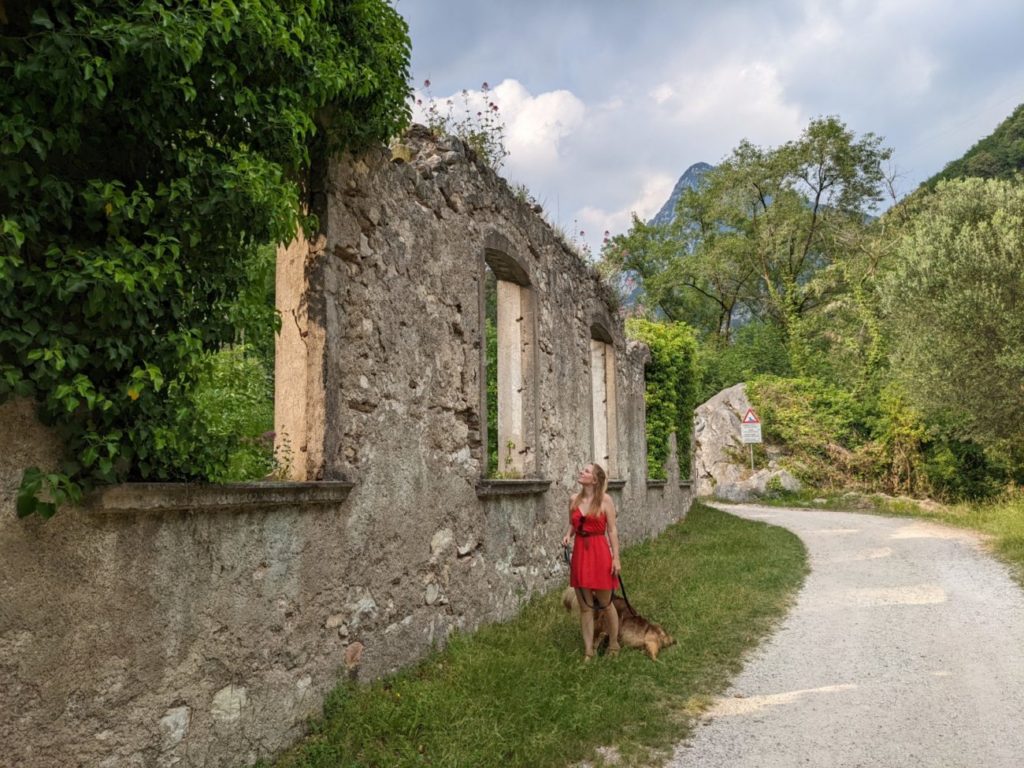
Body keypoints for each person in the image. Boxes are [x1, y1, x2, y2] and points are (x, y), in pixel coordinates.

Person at [562, 462, 622, 660]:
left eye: (586, 471)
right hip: (580, 553)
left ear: (595, 479)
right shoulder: (573, 499)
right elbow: (573, 523)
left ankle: (613, 645)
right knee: (585, 607)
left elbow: (612, 530)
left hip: (600, 553)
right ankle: (589, 651)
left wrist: (616, 558)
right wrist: (568, 535)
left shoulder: (605, 501)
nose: (581, 472)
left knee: (606, 604)